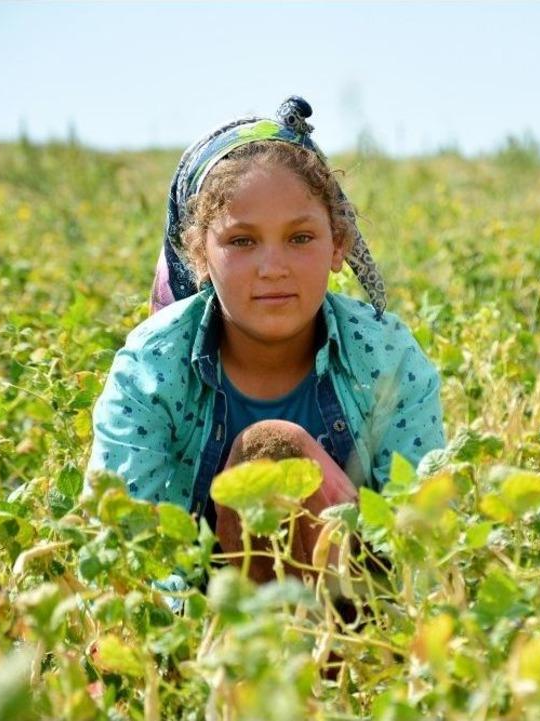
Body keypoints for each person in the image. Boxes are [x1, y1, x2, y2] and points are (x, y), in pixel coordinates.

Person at [88, 97, 445, 582]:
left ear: (338, 244)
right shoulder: (150, 371)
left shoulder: (386, 356)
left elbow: (428, 538)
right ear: (199, 255)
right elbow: (123, 555)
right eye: (241, 241)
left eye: (300, 238)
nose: (273, 268)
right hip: (210, 630)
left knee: (275, 446)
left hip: (358, 620)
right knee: (267, 447)